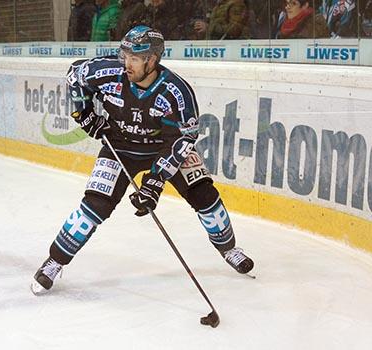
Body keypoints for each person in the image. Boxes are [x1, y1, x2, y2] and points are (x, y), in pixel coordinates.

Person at [31, 25, 254, 295]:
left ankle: (229, 249)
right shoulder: (109, 72)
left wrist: (155, 181)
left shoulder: (176, 91)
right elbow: (74, 75)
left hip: (164, 148)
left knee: (203, 194)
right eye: (125, 56)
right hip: (120, 146)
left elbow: (183, 139)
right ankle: (55, 261)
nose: (127, 64)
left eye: (134, 59)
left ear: (152, 60)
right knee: (95, 204)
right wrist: (84, 114)